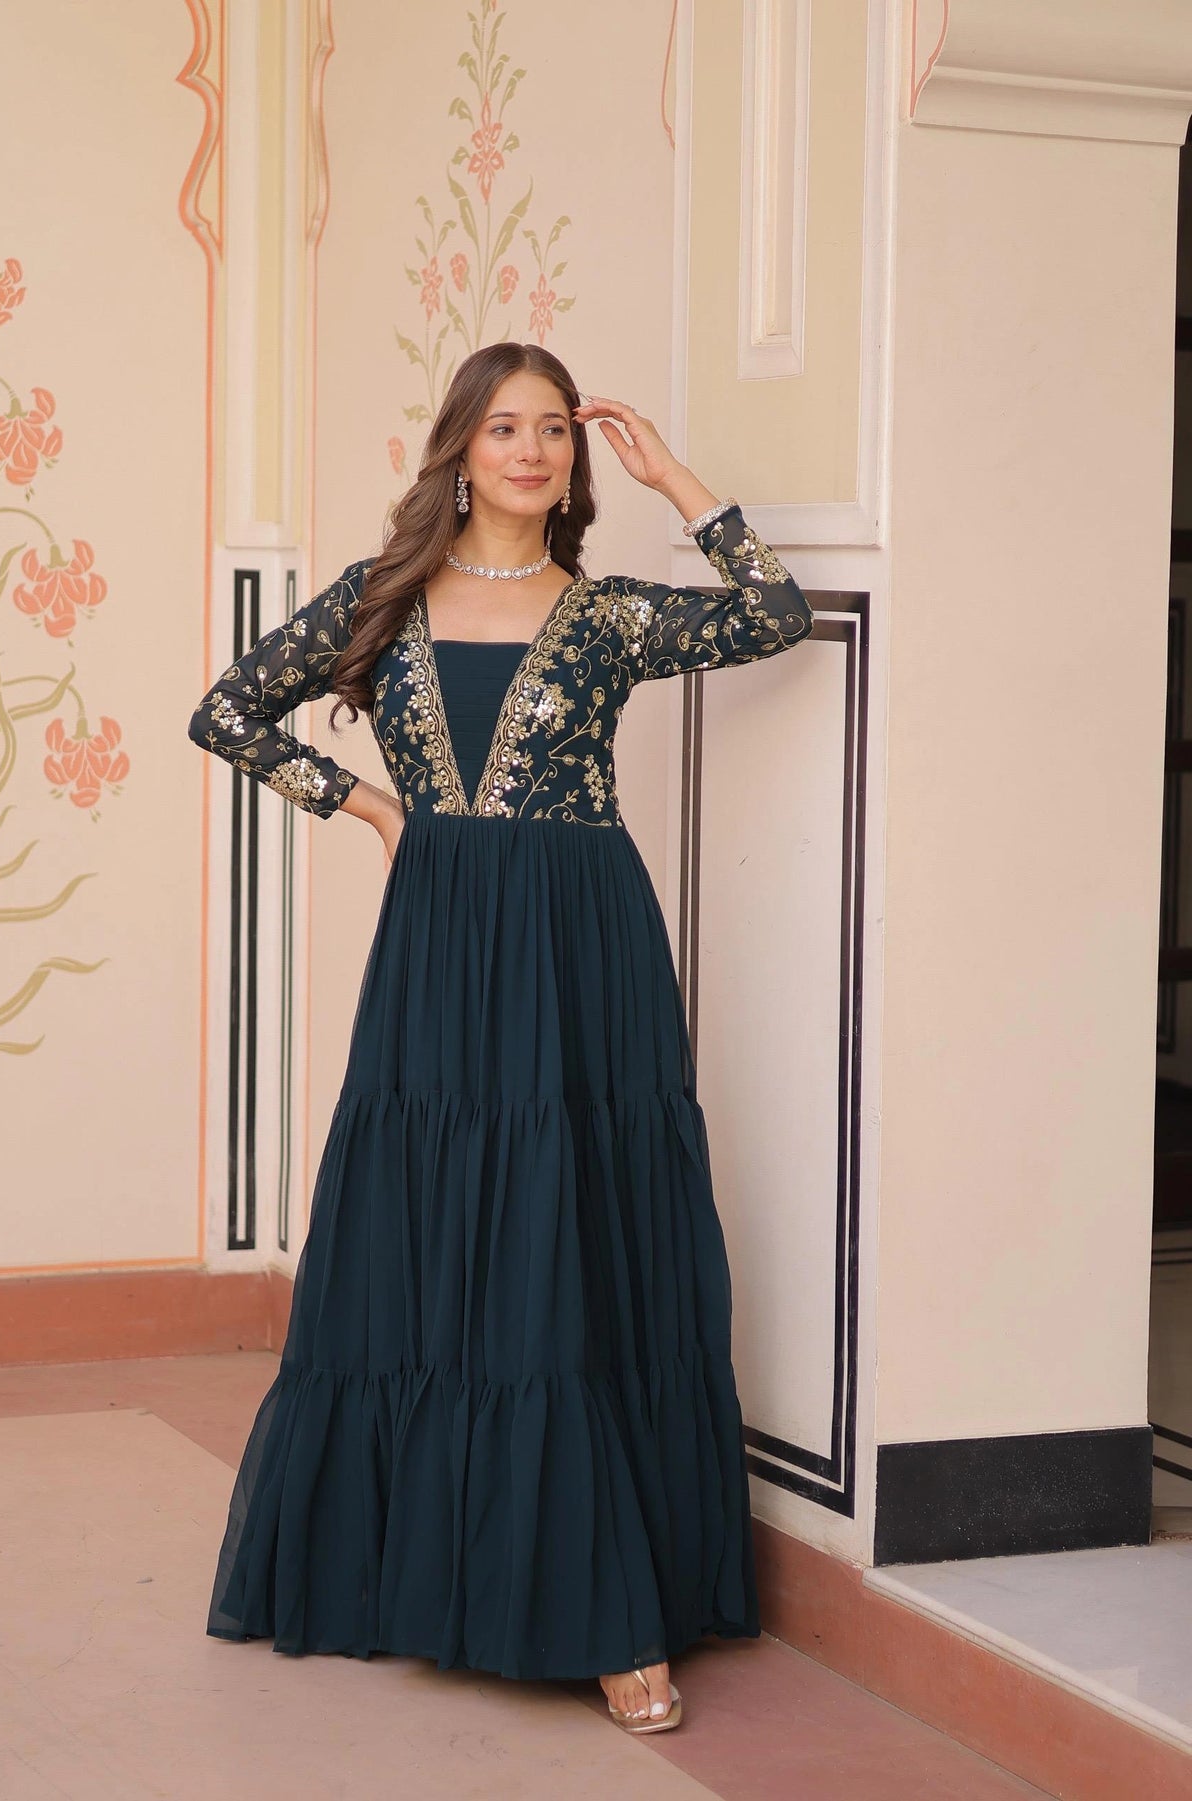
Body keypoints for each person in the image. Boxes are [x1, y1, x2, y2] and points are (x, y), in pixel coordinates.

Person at [188, 341, 813, 1734]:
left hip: (581, 949)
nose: (531, 452)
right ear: (459, 448)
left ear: (579, 463)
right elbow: (223, 710)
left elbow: (774, 614)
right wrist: (364, 804)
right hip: (437, 947)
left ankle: (609, 1616)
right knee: (434, 1235)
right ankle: (418, 1569)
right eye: (503, 427)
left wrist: (679, 478)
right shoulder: (381, 599)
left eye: (556, 433)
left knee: (563, 1241)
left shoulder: (606, 614)